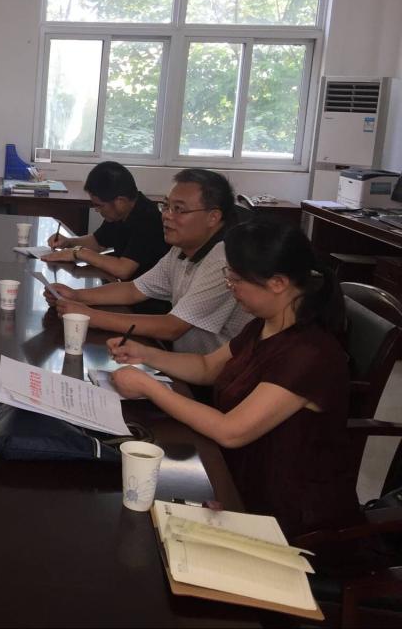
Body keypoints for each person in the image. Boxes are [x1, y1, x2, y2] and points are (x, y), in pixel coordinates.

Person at [108, 219, 357, 536]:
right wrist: (145, 354)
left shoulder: (310, 354)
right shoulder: (264, 325)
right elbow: (207, 367)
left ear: (278, 283)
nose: (230, 286)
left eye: (237, 279)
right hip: (236, 474)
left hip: (288, 514)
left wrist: (149, 386)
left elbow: (231, 431)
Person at [46, 168, 250, 354]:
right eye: (166, 206)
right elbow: (133, 290)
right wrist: (76, 296)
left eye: (179, 209)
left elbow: (172, 327)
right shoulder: (181, 249)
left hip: (215, 375)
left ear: (213, 217)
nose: (167, 216)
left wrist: (90, 316)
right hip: (181, 359)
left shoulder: (225, 260)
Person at [43, 161, 167, 280]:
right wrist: (69, 242)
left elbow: (123, 270)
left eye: (99, 205)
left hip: (145, 291)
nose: (97, 210)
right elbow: (97, 242)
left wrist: (79, 252)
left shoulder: (148, 219)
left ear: (120, 201)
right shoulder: (119, 214)